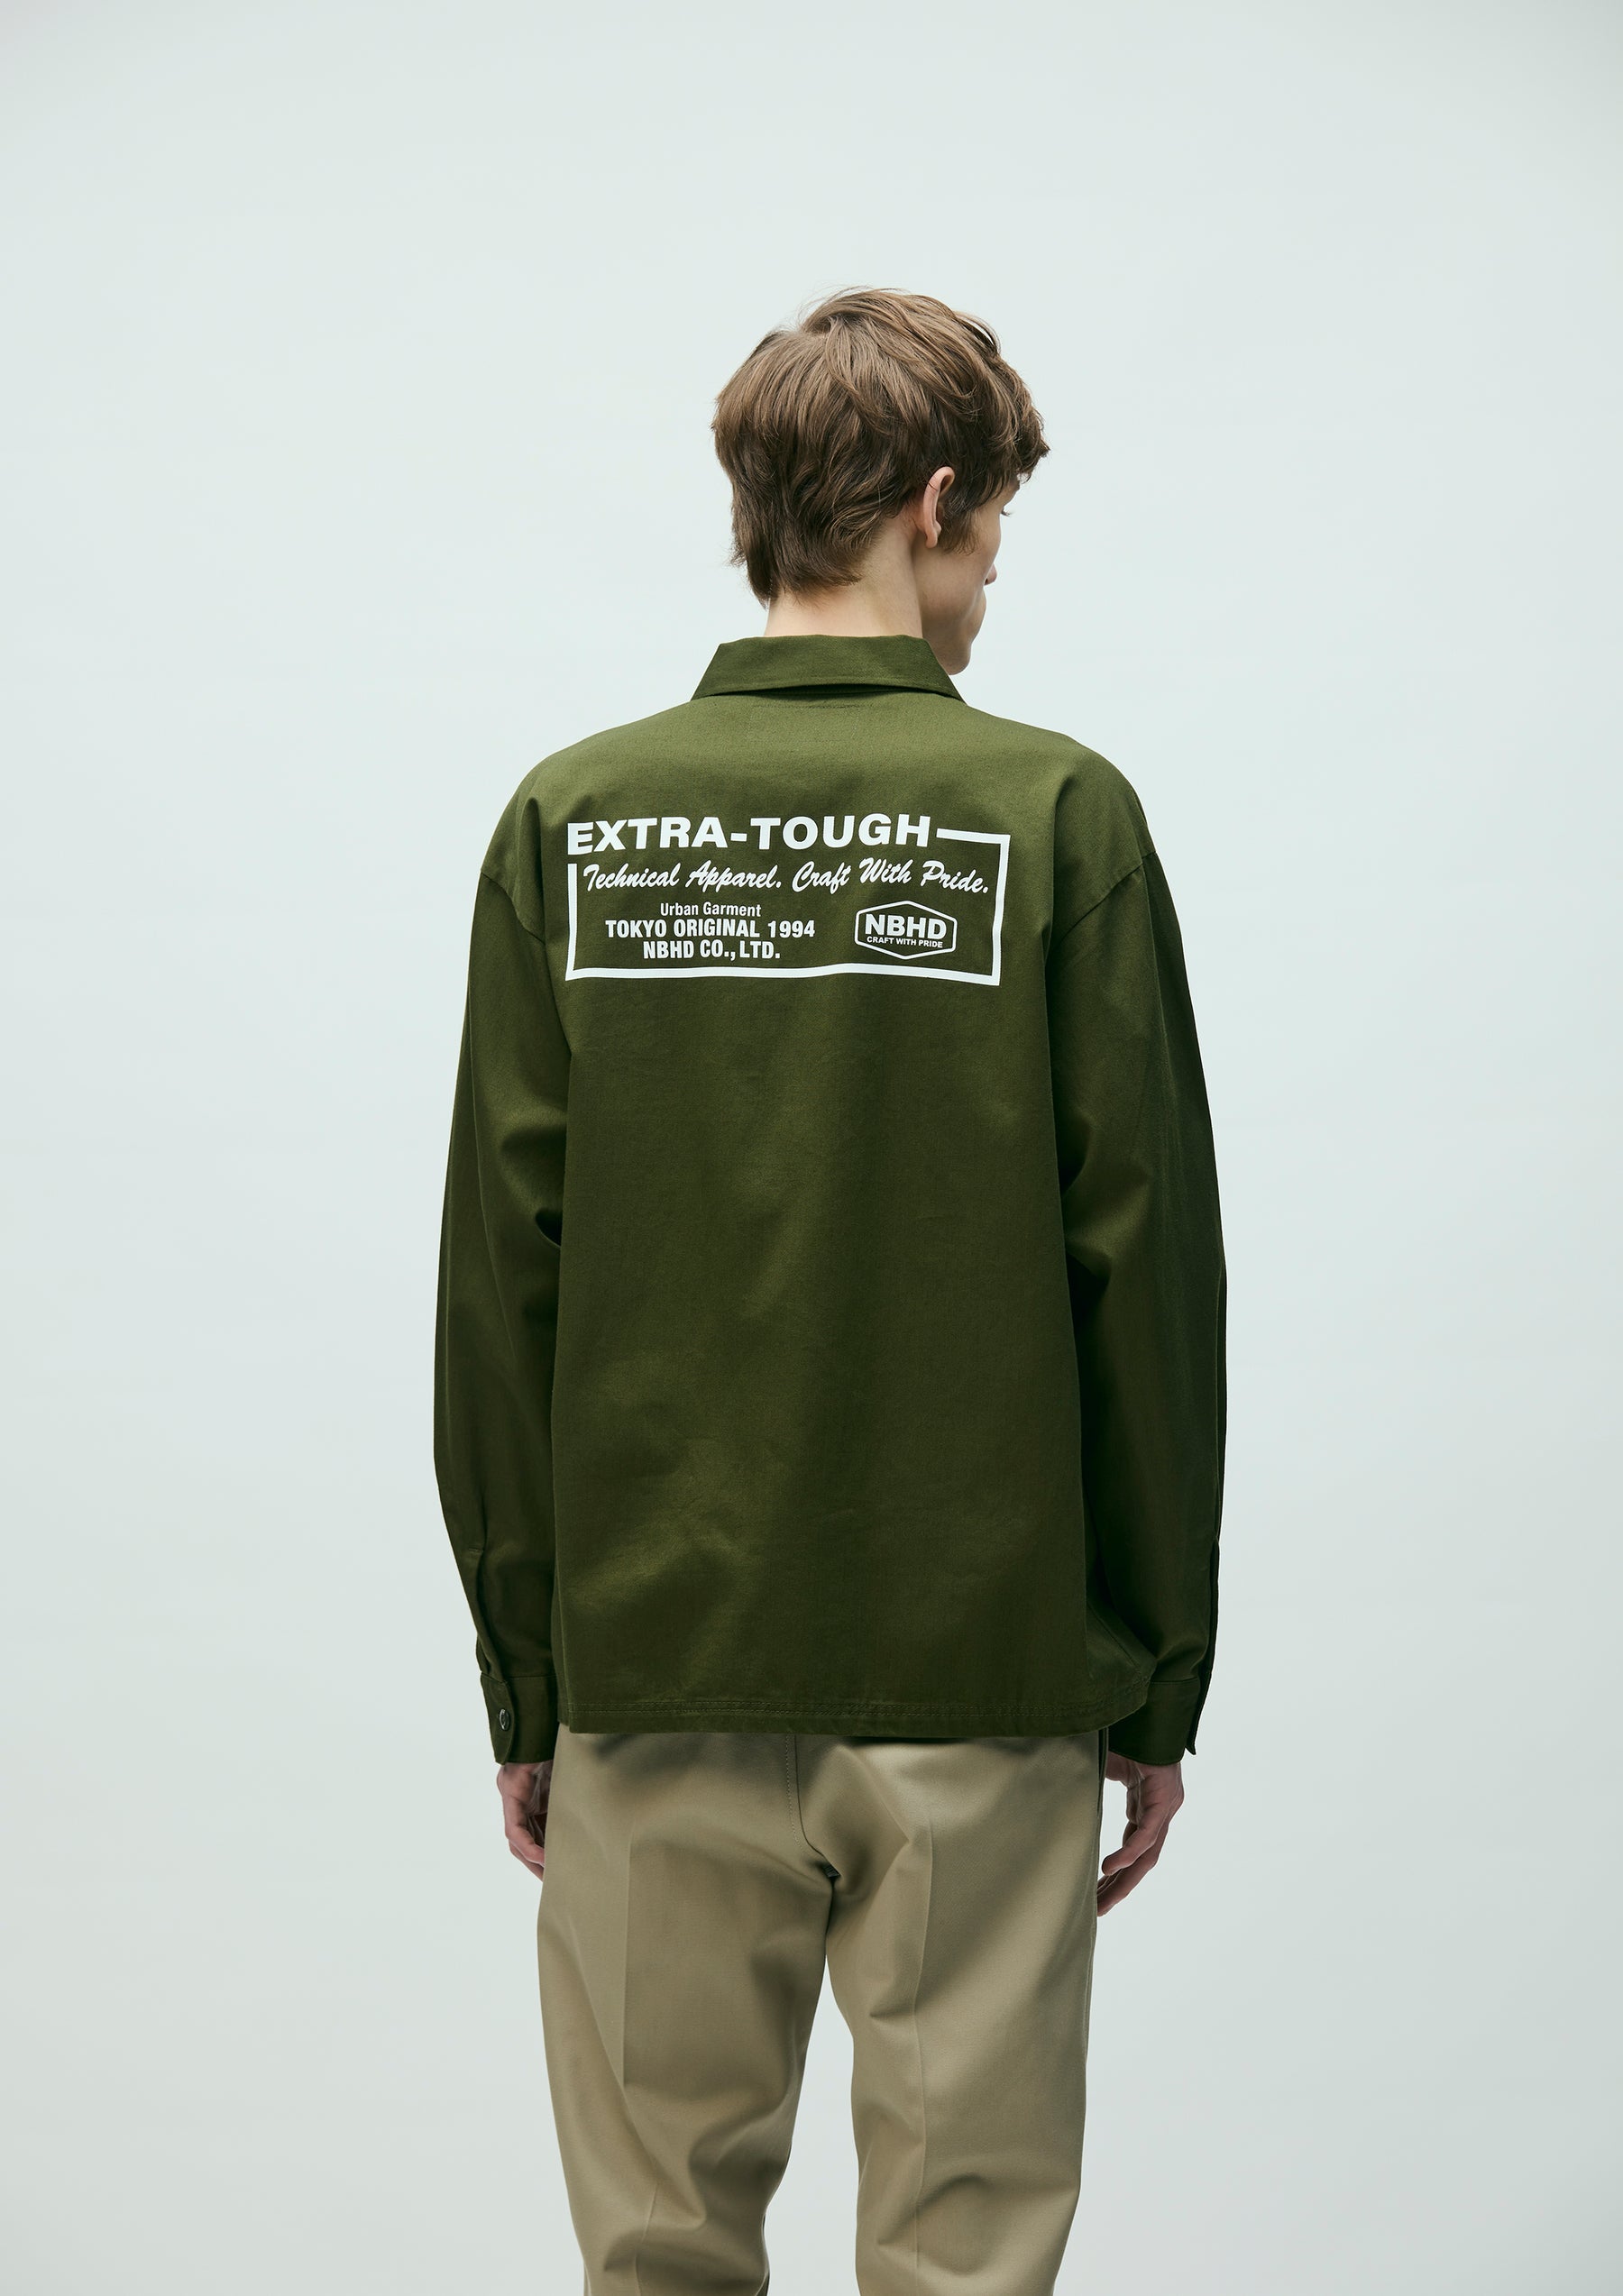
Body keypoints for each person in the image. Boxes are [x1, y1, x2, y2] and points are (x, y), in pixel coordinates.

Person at [433, 287, 1227, 2296]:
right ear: (934, 504)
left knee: (656, 2257)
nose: (991, 582)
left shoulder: (573, 822)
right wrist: (1150, 1678)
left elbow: (500, 1287)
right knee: (968, 2266)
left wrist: (531, 1675)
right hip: (984, 1681)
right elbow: (1145, 1275)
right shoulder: (1059, 817)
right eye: (993, 533)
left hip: (652, 1670)